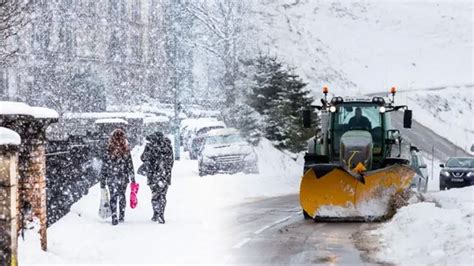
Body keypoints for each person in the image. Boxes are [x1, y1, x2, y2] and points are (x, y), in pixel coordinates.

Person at [100, 129, 135, 225]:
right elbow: (130, 165)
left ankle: (114, 215)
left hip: (112, 176)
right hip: (123, 177)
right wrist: (132, 178)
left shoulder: (109, 149)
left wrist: (102, 180)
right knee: (122, 196)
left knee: (113, 197)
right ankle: (122, 215)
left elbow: (104, 166)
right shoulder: (126, 149)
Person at [140, 131, 174, 224]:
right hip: (164, 175)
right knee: (163, 195)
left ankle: (156, 213)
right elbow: (171, 161)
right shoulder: (168, 146)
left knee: (155, 194)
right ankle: (161, 214)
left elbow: (143, 158)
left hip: (153, 174)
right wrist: (166, 171)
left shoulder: (150, 146)